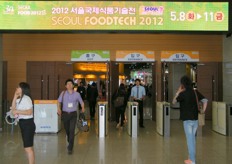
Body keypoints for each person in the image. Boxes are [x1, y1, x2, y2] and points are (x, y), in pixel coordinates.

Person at [172, 75, 208, 164]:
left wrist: (178, 92)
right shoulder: (195, 92)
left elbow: (173, 102)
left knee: (190, 139)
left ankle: (192, 160)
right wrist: (203, 111)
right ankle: (190, 157)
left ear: (182, 84)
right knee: (192, 139)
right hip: (195, 119)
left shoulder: (183, 93)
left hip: (187, 120)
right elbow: (205, 100)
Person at [57, 79, 84, 155]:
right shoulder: (63, 93)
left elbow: (81, 102)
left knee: (72, 130)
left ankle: (70, 147)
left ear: (73, 85)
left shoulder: (77, 94)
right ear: (65, 86)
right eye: (67, 84)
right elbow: (59, 102)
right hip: (65, 114)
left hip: (73, 114)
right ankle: (69, 138)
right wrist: (58, 108)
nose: (69, 85)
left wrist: (83, 107)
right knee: (67, 130)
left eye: (70, 84)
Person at [11, 82, 36, 164]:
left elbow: (29, 112)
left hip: (28, 124)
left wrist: (17, 111)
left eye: (18, 87)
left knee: (28, 148)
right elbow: (13, 109)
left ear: (23, 89)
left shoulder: (26, 98)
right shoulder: (20, 99)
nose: (16, 88)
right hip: (23, 124)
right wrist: (15, 96)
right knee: (28, 148)